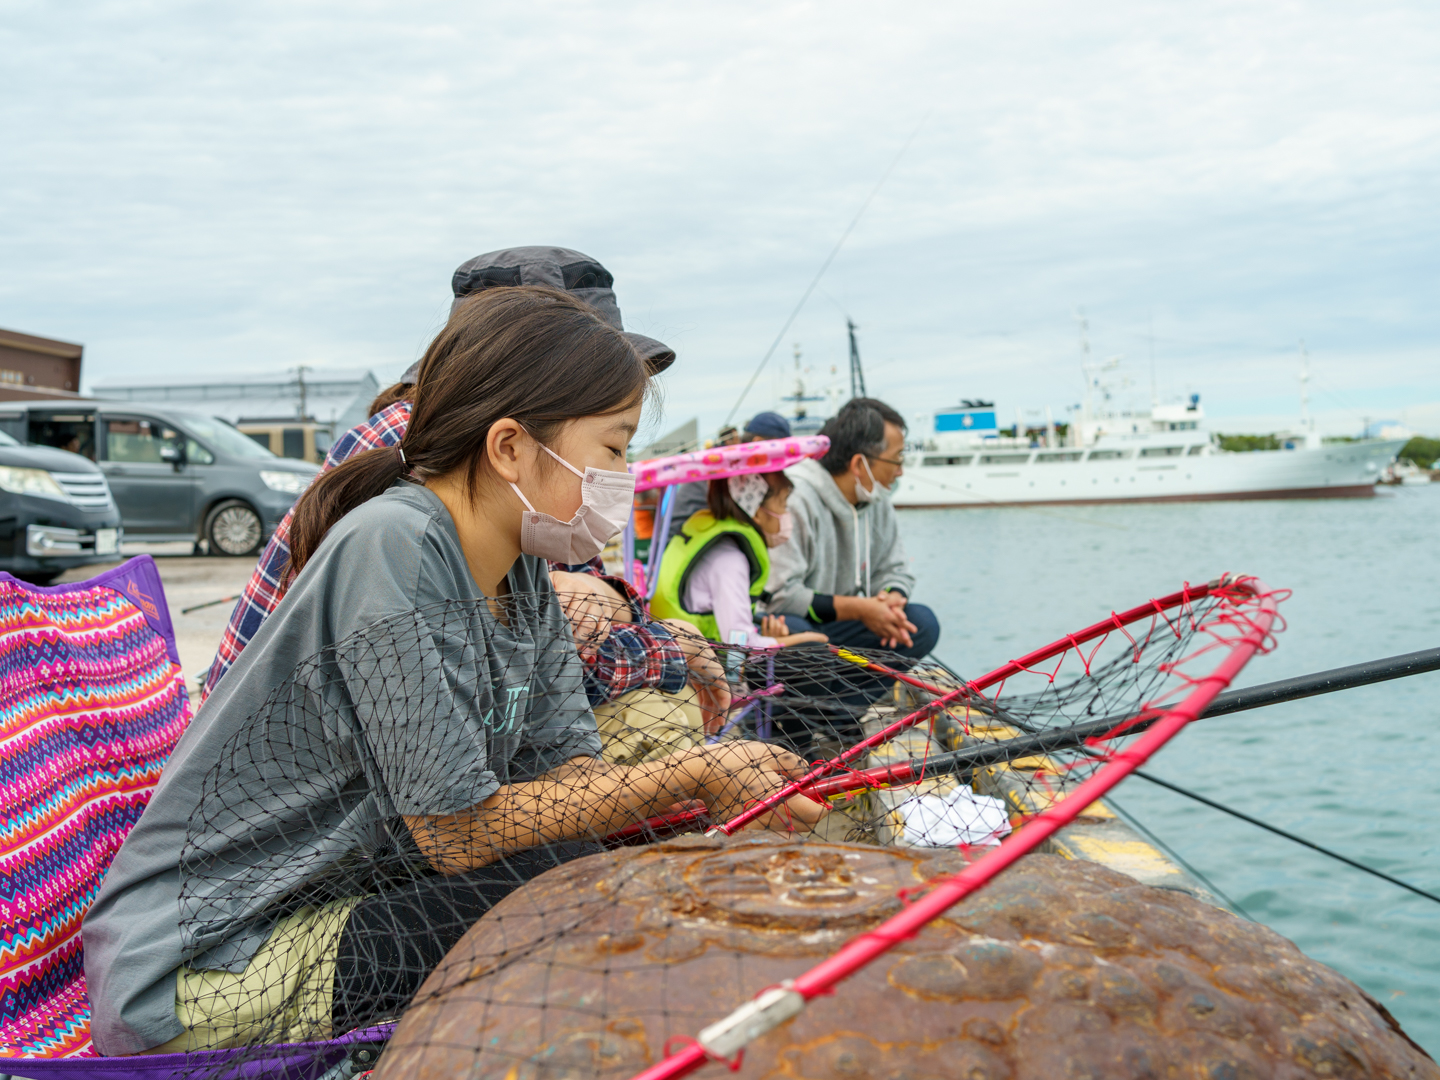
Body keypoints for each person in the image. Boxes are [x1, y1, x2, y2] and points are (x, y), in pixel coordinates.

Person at [82, 286, 824, 1056]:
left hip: (342, 900)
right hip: (200, 964)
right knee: (559, 906)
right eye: (612, 448)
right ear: (509, 447)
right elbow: (455, 833)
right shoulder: (393, 546)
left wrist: (681, 787)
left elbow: (568, 776)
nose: (624, 472)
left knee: (576, 870)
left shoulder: (525, 572)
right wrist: (694, 775)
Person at [201, 247, 715, 724]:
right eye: (612, 444)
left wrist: (612, 602)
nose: (622, 472)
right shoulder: (412, 487)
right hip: (305, 787)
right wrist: (666, 647)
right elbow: (515, 691)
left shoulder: (529, 504)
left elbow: (551, 649)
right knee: (656, 718)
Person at [764, 398, 941, 749]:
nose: (901, 471)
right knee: (802, 641)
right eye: (897, 459)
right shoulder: (796, 497)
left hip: (841, 632)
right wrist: (863, 610)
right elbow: (780, 595)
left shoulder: (877, 500)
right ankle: (796, 733)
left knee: (919, 624)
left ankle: (838, 712)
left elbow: (895, 569)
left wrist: (892, 599)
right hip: (792, 630)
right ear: (861, 463)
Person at [651, 469, 828, 650]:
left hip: (694, 645)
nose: (786, 514)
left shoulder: (716, 539)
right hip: (703, 663)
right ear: (757, 512)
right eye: (782, 505)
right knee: (816, 648)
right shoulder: (729, 561)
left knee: (795, 625)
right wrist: (804, 639)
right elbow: (741, 644)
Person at [662, 411, 792, 546]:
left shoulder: (736, 471)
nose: (781, 468)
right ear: (758, 443)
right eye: (778, 455)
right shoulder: (731, 475)